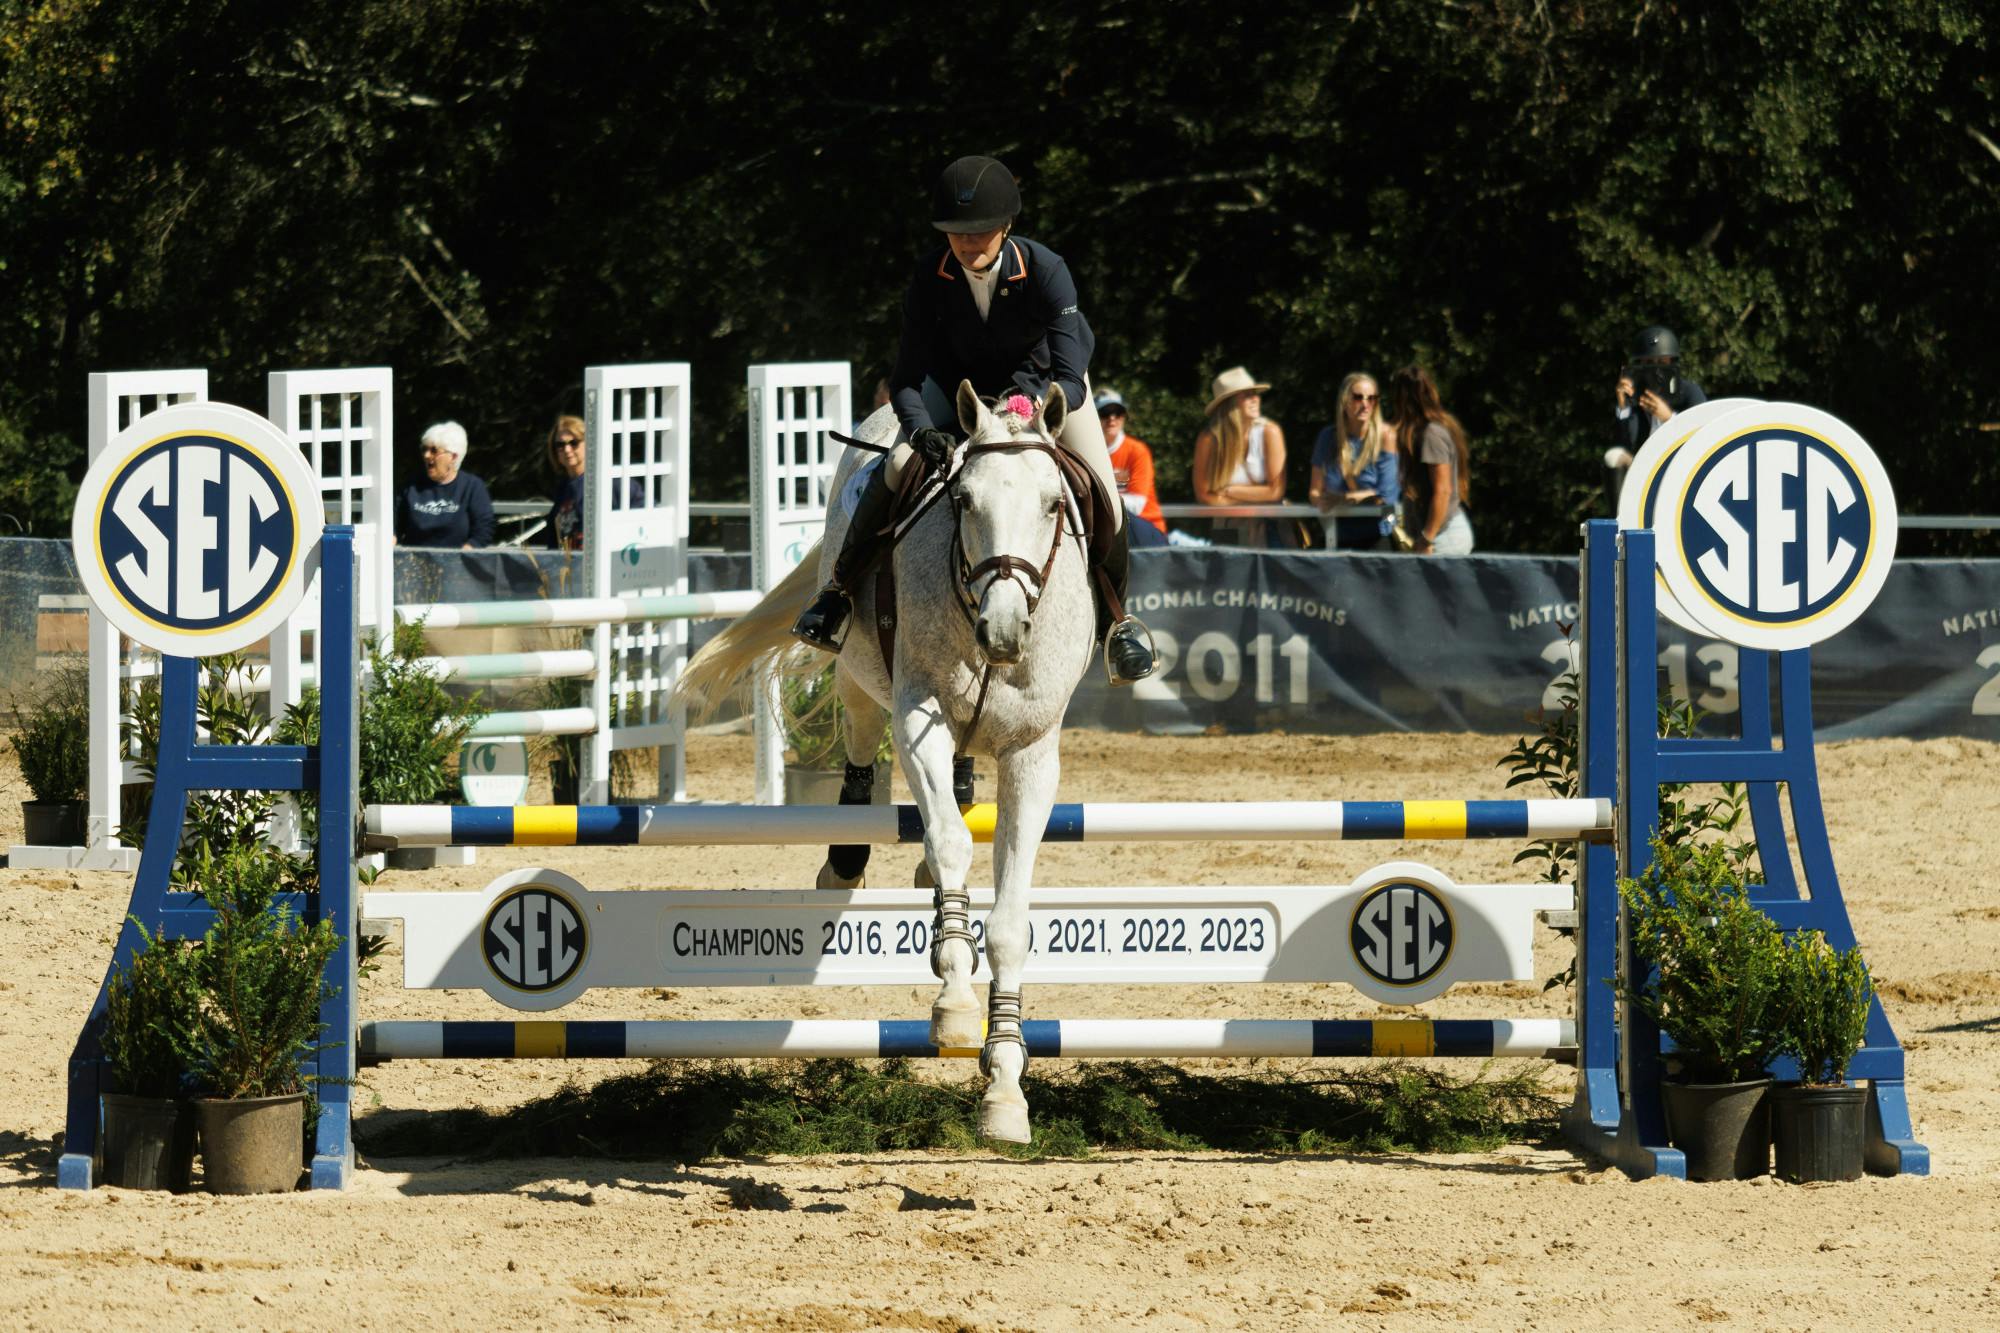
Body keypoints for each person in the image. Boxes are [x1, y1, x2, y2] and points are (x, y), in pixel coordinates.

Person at [791, 154, 1156, 685]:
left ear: (1006, 227)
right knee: (895, 464)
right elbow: (908, 377)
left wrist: (1028, 408)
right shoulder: (929, 276)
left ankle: (1117, 623)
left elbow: (1070, 373)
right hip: (956, 392)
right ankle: (838, 594)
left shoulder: (1047, 269)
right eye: (956, 232)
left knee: (1103, 490)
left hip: (1041, 395)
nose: (966, 242)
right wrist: (921, 432)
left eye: (980, 231)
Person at [1192, 366, 1287, 546]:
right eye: (1247, 395)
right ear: (1229, 404)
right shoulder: (1209, 439)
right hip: (1227, 526)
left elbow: (1276, 491)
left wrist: (1228, 490)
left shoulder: (1270, 432)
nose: (1255, 399)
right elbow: (1204, 495)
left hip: (1268, 527)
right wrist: (1257, 494)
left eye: (1255, 394)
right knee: (1229, 572)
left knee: (1268, 573)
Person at [1387, 365, 1474, 555]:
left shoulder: (1431, 434)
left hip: (1443, 538)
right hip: (1435, 536)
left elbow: (1443, 491)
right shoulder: (1428, 432)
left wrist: (1427, 538)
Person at [1309, 372, 1400, 550]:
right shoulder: (1328, 437)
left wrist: (1345, 498)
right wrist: (1321, 502)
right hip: (1335, 535)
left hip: (1376, 537)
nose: (1365, 404)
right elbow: (1314, 491)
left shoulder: (1386, 436)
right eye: (1358, 397)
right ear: (1344, 401)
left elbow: (1387, 496)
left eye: (1372, 398)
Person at [1608, 324, 1708, 481]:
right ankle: (1619, 507)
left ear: (1672, 362)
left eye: (1661, 362)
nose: (1655, 369)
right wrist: (1624, 406)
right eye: (1648, 362)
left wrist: (1670, 418)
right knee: (1612, 457)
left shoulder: (1689, 392)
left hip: (1683, 469)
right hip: (1645, 470)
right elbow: (1627, 443)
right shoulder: (1636, 395)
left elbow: (1704, 439)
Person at [393, 420, 494, 548]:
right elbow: (393, 522)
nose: (426, 455)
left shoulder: (472, 487)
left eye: (434, 450)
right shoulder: (410, 486)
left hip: (457, 563)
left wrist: (467, 551)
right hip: (414, 562)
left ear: (453, 457)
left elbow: (484, 529)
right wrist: (391, 537)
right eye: (424, 449)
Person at [1095, 387, 1167, 548]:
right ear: (1095, 418)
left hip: (1147, 528)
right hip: (1111, 529)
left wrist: (1098, 501)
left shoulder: (1137, 451)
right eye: (1105, 413)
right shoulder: (1089, 452)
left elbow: (1137, 504)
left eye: (1118, 412)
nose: (1112, 418)